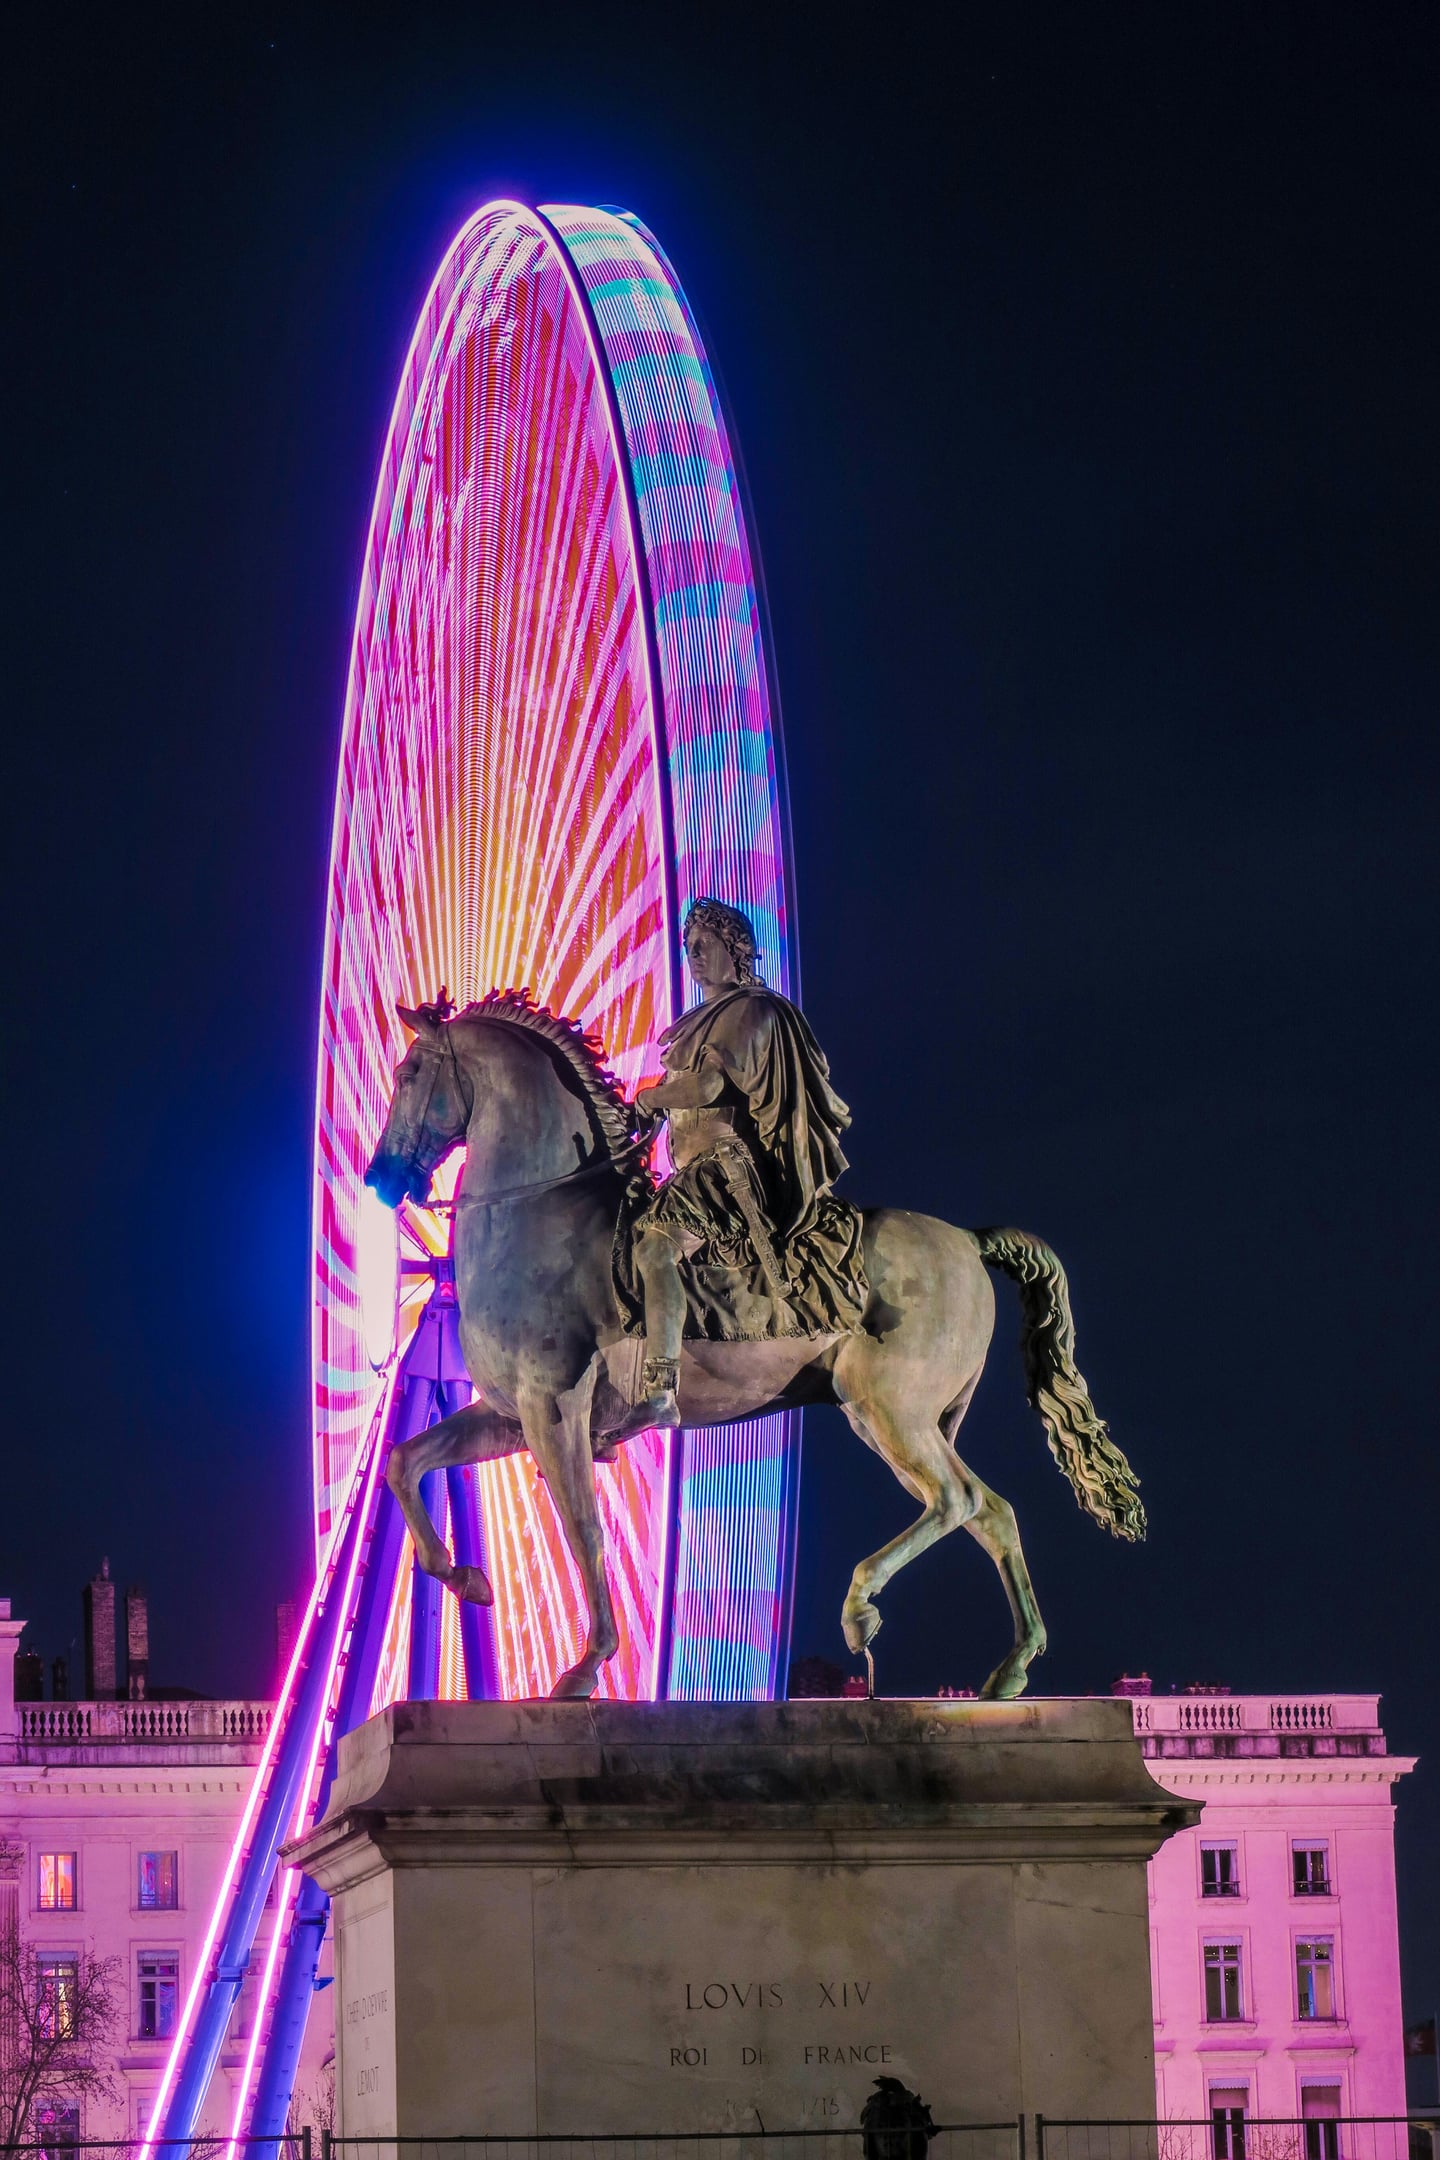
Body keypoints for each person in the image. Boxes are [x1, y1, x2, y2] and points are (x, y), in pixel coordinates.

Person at [619, 897, 867, 1432]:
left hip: (727, 1170)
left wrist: (651, 1099)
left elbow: (710, 1086)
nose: (694, 954)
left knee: (656, 1247)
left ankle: (660, 1389)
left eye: (706, 943)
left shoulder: (752, 1011)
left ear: (737, 950)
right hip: (688, 1169)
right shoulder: (697, 1024)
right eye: (688, 946)